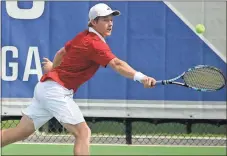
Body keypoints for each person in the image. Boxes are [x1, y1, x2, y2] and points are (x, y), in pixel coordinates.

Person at [0, 3, 156, 155]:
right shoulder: (95, 43)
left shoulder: (83, 36)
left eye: (111, 20)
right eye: (105, 20)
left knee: (21, 131)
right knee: (83, 132)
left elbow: (61, 53)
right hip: (56, 91)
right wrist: (141, 78)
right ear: (94, 22)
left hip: (46, 87)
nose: (110, 24)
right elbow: (116, 63)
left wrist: (54, 69)